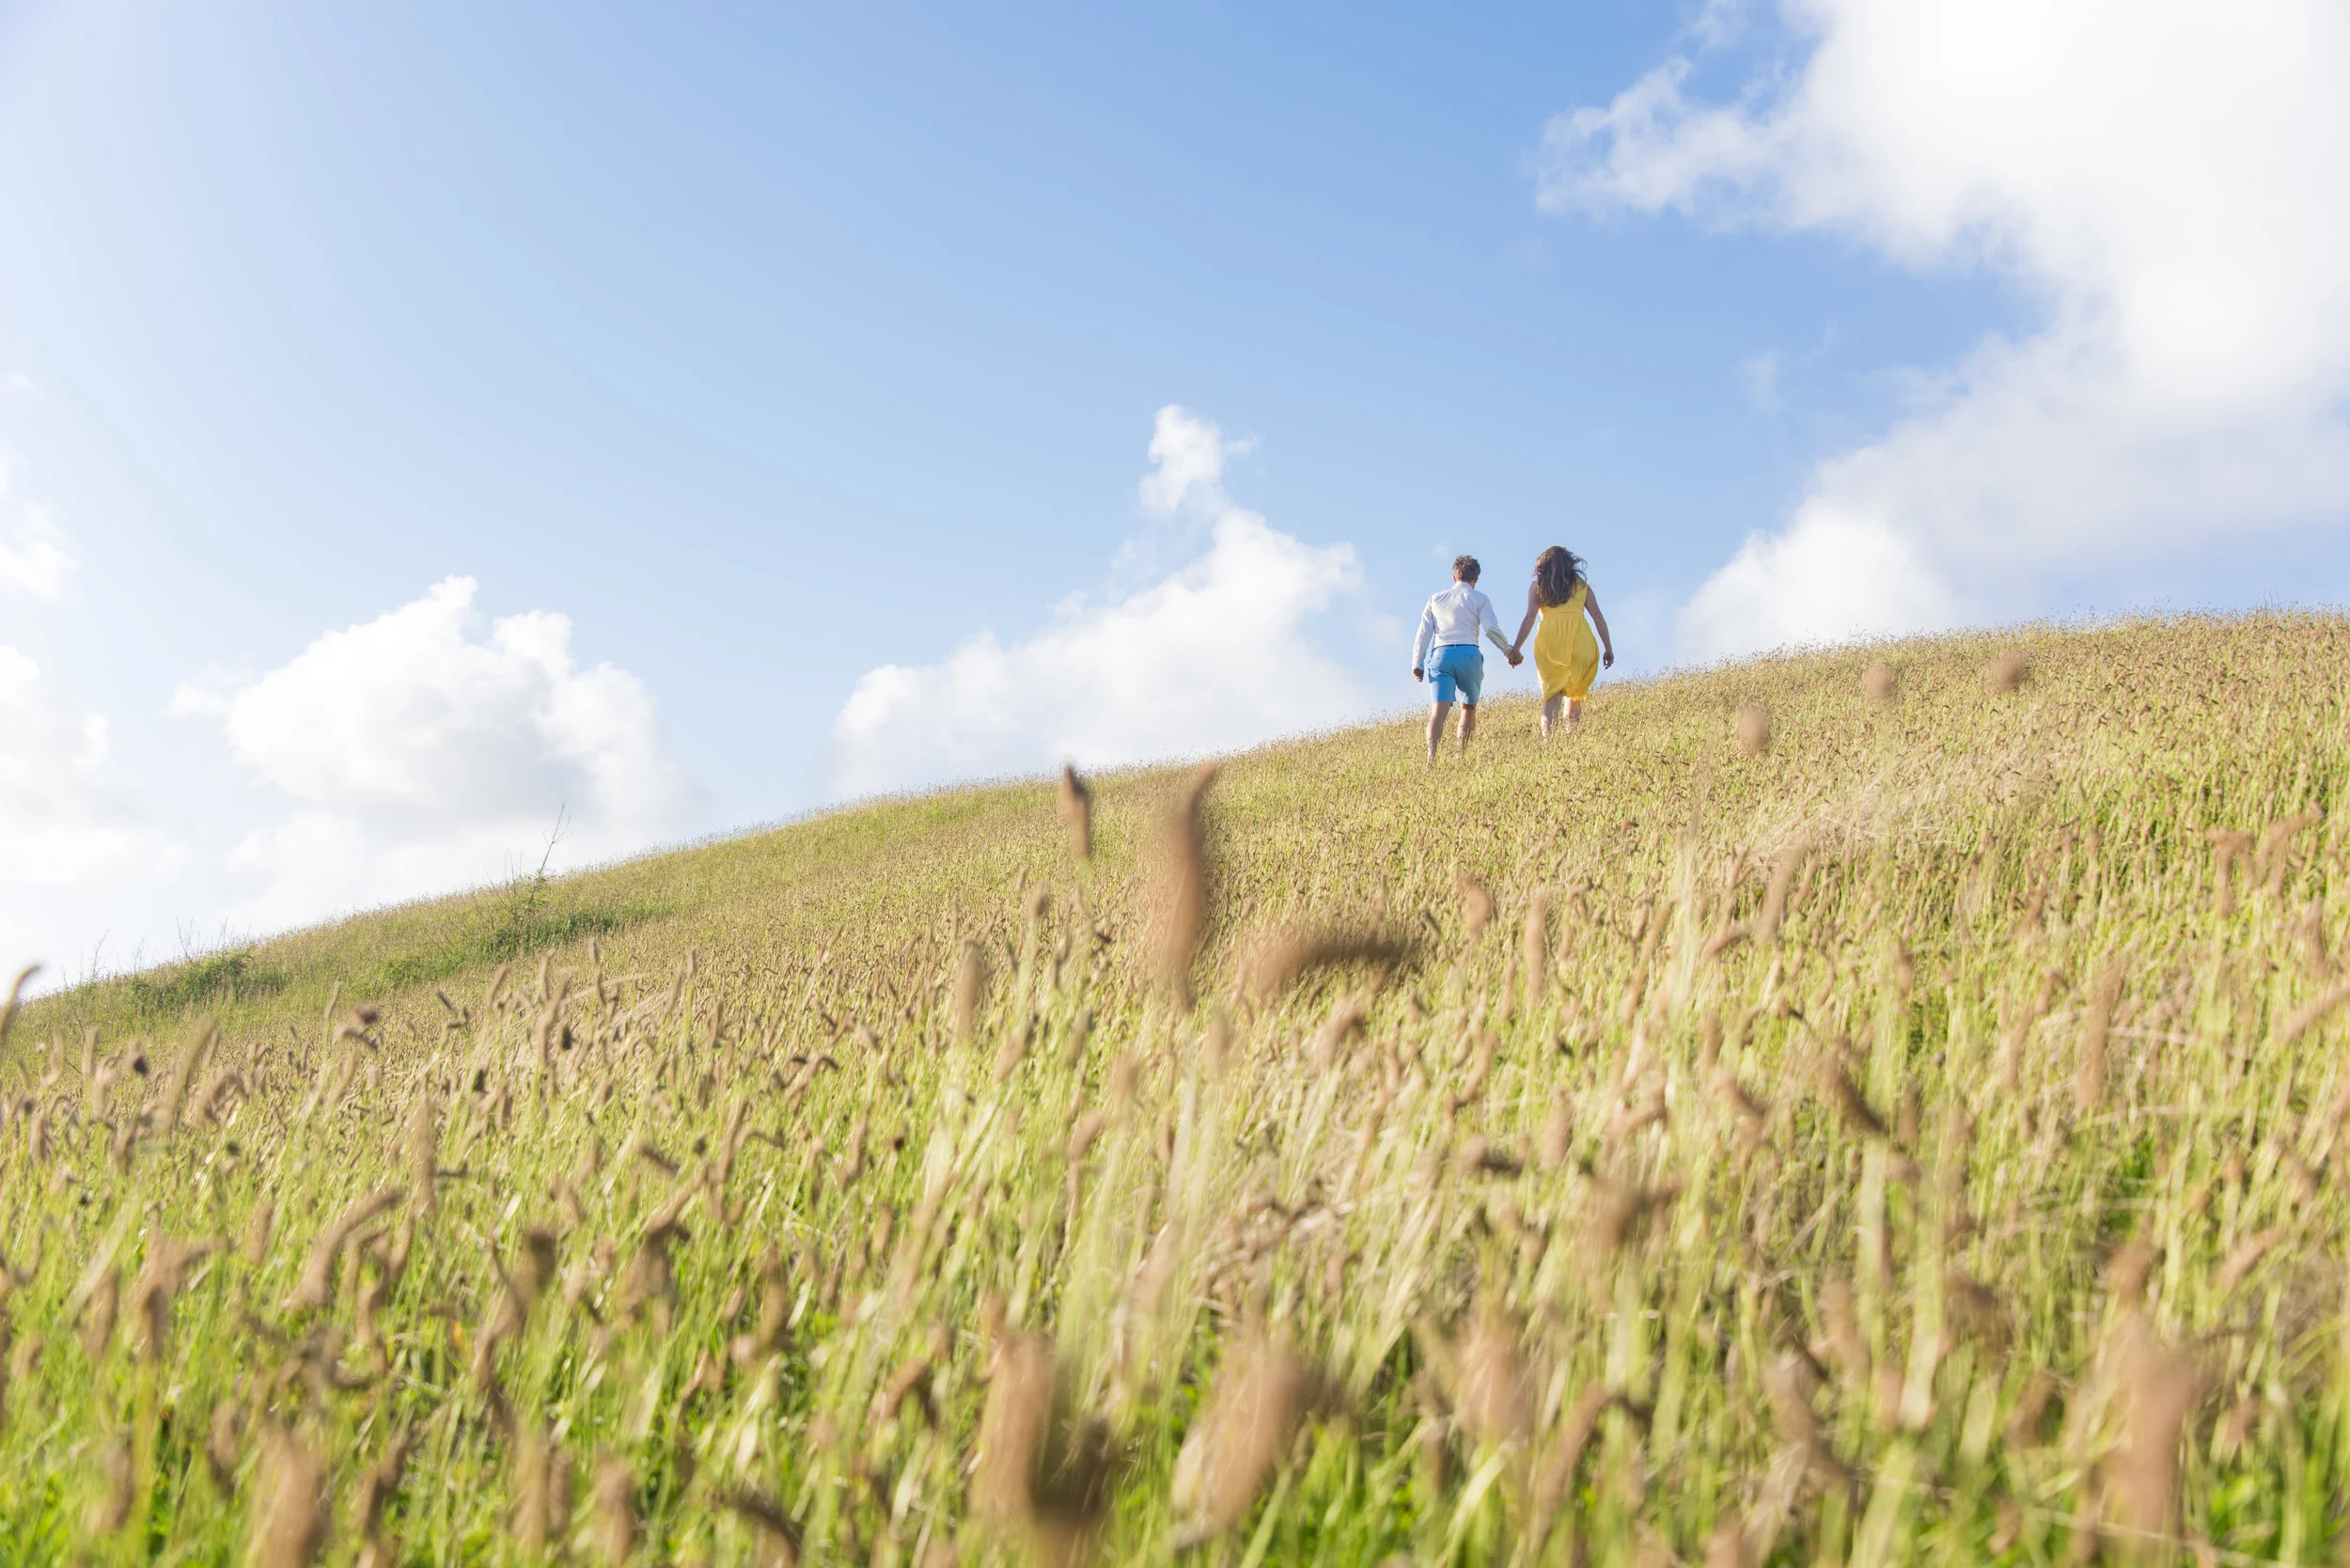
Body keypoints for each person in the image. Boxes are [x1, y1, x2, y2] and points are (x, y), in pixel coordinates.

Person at [1411, 555, 1520, 761]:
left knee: (1438, 712)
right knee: (1468, 707)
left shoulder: (1435, 599)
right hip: (1468, 654)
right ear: (1475, 579)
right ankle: (1461, 756)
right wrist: (1507, 651)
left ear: (1454, 577)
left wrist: (1417, 662)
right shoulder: (1480, 598)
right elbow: (1491, 629)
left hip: (1441, 655)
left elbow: (1423, 633)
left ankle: (1431, 759)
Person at [1508, 545, 1613, 739]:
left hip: (1550, 644)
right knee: (1574, 696)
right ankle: (1572, 742)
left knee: (1552, 697)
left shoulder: (1538, 586)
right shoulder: (1582, 586)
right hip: (1580, 641)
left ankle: (1550, 745)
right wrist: (1608, 648)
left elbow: (1530, 618)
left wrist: (1516, 648)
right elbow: (1598, 616)